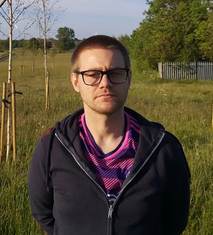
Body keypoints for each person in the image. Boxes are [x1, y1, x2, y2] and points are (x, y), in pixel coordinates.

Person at [28, 35, 191, 235]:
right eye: (92, 74)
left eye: (115, 72)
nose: (105, 83)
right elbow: (44, 214)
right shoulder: (51, 147)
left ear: (129, 79)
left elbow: (174, 222)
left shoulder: (164, 149)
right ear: (76, 82)